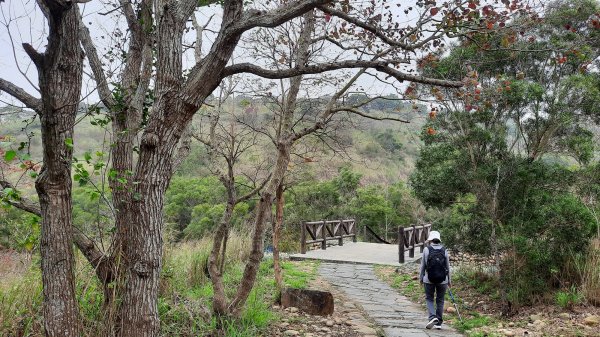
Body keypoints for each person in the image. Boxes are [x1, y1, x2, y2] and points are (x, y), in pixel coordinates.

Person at [419, 230, 451, 330]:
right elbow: (448, 267)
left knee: (429, 298)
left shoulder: (426, 249)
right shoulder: (444, 250)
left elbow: (423, 265)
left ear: (431, 240)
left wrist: (421, 278)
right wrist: (449, 280)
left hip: (429, 279)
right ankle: (439, 322)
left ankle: (432, 317)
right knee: (440, 300)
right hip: (443, 280)